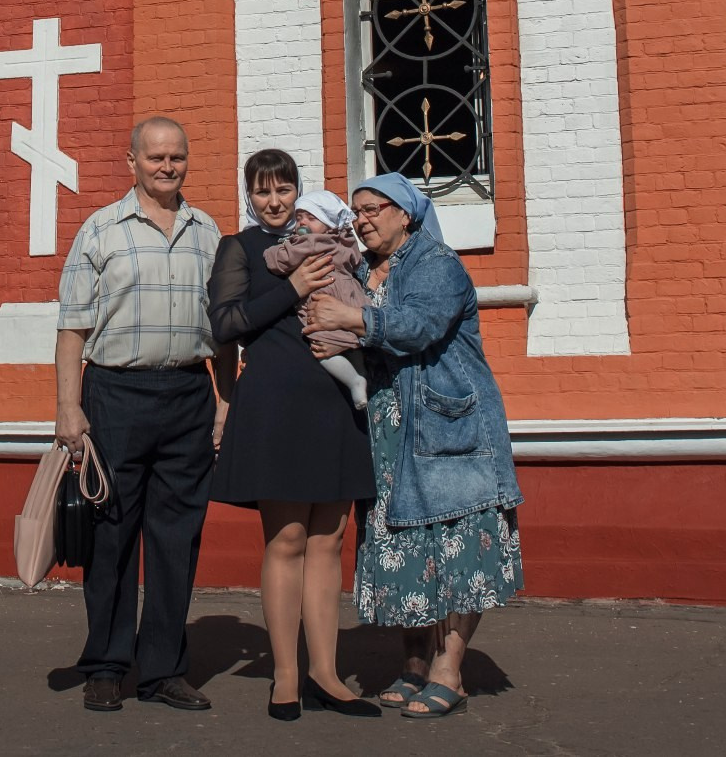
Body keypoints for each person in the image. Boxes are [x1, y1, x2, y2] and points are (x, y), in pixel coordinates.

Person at [306, 171, 521, 721]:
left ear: (406, 214)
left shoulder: (437, 264)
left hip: (447, 430)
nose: (362, 218)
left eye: (373, 208)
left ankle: (451, 669)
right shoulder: (360, 267)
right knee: (404, 551)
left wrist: (351, 317)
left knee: (456, 548)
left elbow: (419, 326)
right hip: (386, 433)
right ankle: (414, 663)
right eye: (356, 210)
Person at [54, 116, 225, 714]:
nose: (167, 166)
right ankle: (106, 664)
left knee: (177, 540)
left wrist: (224, 401)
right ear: (131, 162)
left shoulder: (209, 233)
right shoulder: (100, 230)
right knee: (112, 538)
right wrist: (68, 408)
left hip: (187, 396)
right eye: (155, 157)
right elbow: (72, 328)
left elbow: (225, 333)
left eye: (177, 156)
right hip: (115, 398)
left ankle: (163, 671)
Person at [207, 151, 380, 720]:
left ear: (298, 191)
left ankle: (325, 674)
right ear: (249, 196)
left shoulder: (325, 236)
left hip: (335, 405)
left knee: (329, 542)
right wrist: (292, 287)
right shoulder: (243, 249)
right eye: (263, 192)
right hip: (276, 406)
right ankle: (285, 677)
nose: (275, 202)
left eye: (284, 190)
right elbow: (225, 325)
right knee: (285, 540)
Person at [263, 196, 370, 408]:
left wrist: (271, 251)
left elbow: (282, 260)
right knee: (353, 344)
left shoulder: (310, 243)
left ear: (328, 223)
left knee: (323, 347)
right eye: (299, 217)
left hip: (325, 297)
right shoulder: (345, 241)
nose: (302, 223)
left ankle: (354, 381)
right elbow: (355, 261)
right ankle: (362, 374)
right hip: (350, 297)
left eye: (311, 218)